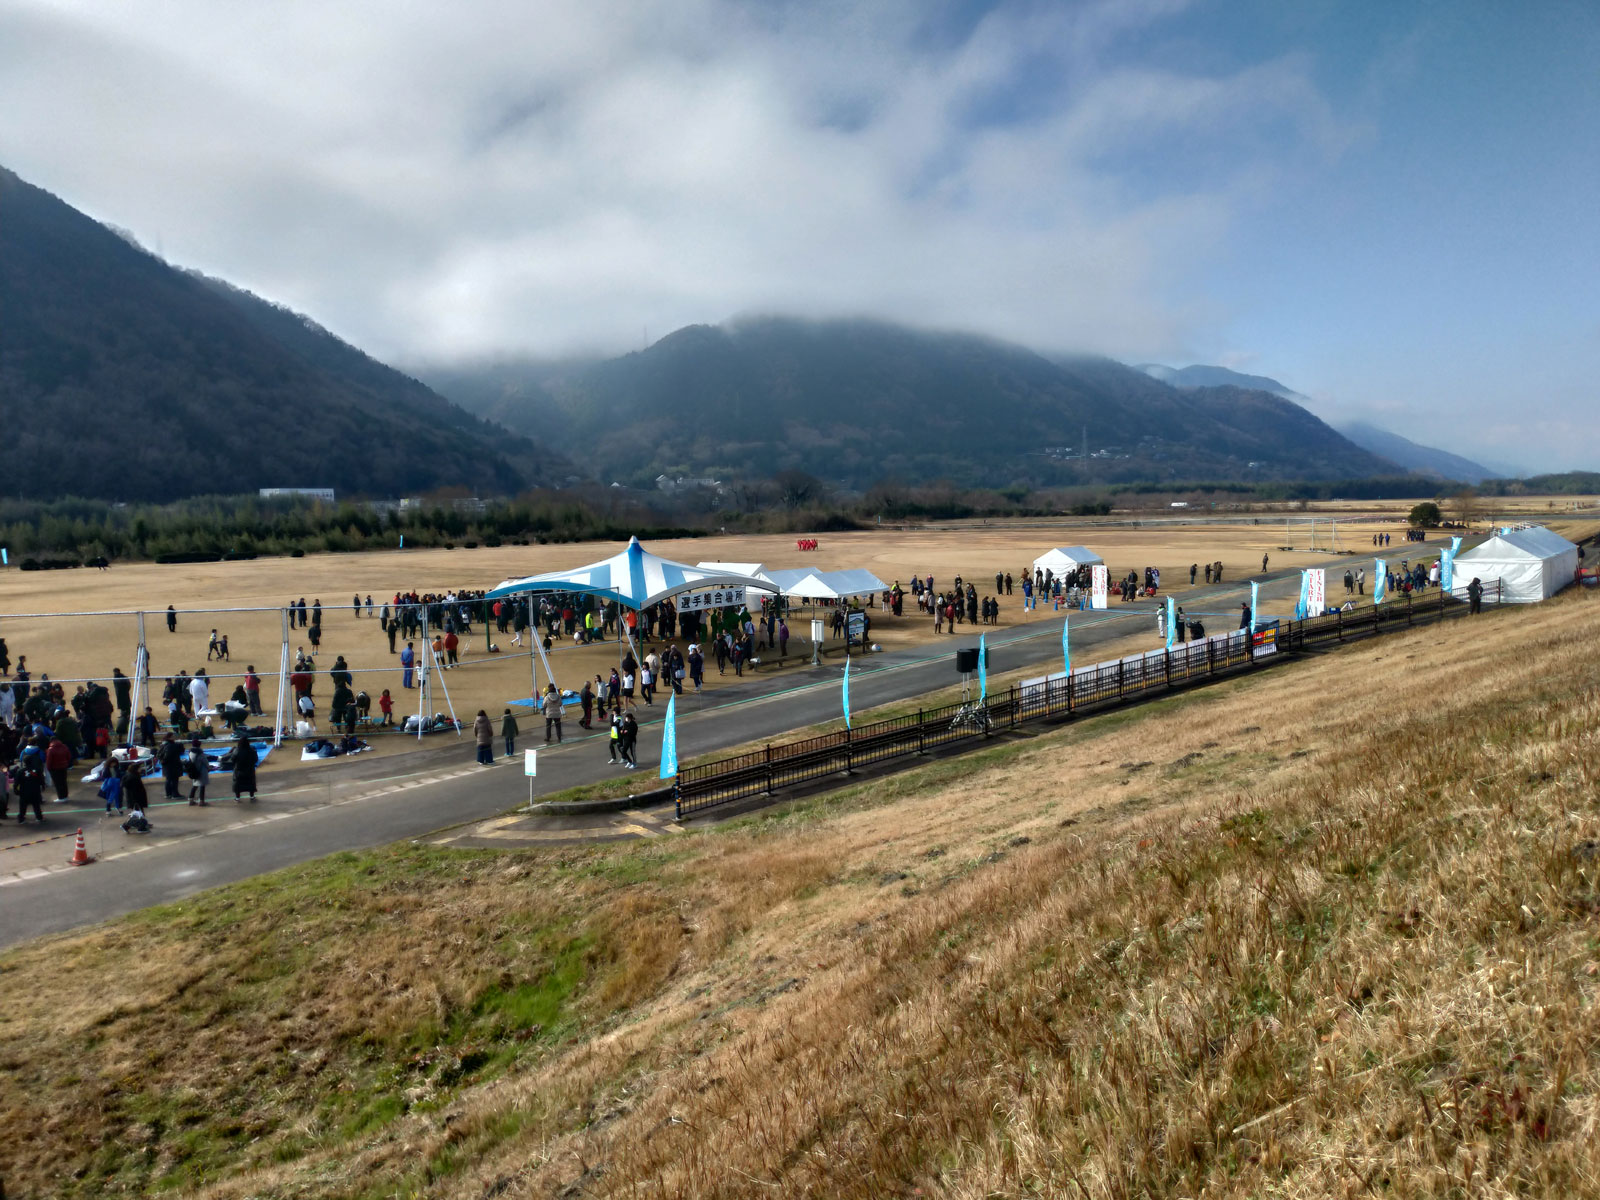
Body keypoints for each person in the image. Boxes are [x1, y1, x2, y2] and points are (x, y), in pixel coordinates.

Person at [231, 734, 258, 802]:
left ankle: (237, 798)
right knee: (250, 784)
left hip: (239, 771)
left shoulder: (236, 750)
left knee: (238, 784)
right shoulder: (252, 750)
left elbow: (232, 759)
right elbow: (256, 759)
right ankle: (252, 796)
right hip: (250, 771)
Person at [45, 735, 71, 800]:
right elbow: (69, 756)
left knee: (57, 783)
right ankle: (65, 796)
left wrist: (49, 768)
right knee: (63, 782)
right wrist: (66, 763)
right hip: (64, 767)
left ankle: (61, 797)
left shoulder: (50, 749)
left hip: (54, 769)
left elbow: (49, 761)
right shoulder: (64, 747)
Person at [186, 736, 209, 805]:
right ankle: (201, 801)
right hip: (201, 770)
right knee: (202, 785)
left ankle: (191, 799)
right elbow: (205, 761)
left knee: (195, 785)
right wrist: (208, 767)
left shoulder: (190, 752)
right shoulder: (200, 752)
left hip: (193, 770)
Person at [159, 733, 184, 799]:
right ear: (170, 737)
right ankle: (175, 794)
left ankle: (168, 794)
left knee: (168, 780)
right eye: (173, 736)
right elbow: (180, 751)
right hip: (172, 765)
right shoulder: (172, 745)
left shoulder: (163, 744)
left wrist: (163, 761)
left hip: (166, 765)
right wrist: (180, 744)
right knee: (174, 780)